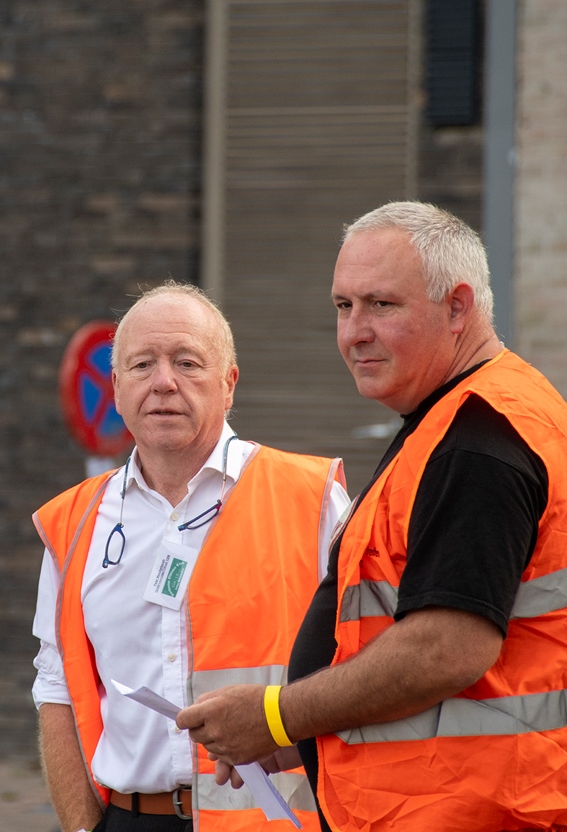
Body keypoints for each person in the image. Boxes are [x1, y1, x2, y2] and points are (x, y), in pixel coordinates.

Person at [178, 202, 567, 832]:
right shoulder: (465, 419)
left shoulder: (476, 441)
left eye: (381, 305)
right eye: (343, 306)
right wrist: (309, 733)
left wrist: (279, 716)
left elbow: (447, 648)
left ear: (458, 307)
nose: (355, 332)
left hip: (470, 810)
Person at [31, 280, 349, 832]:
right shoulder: (74, 522)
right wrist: (84, 827)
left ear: (229, 384)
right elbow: (56, 686)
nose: (163, 382)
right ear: (115, 388)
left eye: (187, 362)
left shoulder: (312, 499)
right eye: (142, 365)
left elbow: (363, 662)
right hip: (130, 820)